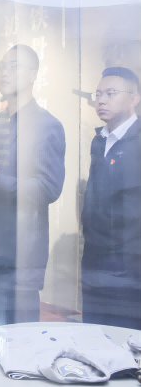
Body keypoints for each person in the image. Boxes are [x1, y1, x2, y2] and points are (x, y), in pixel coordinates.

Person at [0, 45, 66, 324]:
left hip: (20, 255)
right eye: (1, 66)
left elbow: (49, 187)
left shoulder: (46, 124)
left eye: (14, 66)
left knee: (20, 337)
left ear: (33, 74)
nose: (4, 72)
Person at [81, 67, 141, 329]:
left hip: (130, 267)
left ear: (134, 98)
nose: (101, 100)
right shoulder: (99, 140)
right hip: (94, 261)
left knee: (126, 339)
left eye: (111, 93)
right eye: (98, 94)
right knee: (93, 334)